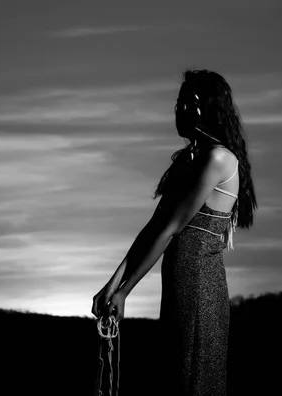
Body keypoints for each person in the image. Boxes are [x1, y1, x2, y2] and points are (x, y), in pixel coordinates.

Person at [91, 68, 258, 396]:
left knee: (194, 380)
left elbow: (169, 229)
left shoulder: (219, 159)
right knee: (176, 377)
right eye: (178, 102)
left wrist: (126, 292)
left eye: (185, 102)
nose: (178, 110)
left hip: (199, 285)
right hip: (180, 281)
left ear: (203, 107)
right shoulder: (189, 160)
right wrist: (112, 285)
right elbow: (153, 227)